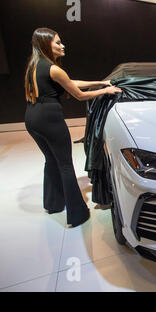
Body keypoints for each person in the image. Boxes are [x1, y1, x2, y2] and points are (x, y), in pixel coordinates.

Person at [24, 28, 122, 227]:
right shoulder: (54, 68)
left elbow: (69, 83)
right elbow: (79, 95)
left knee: (51, 160)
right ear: (46, 45)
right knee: (65, 165)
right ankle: (77, 214)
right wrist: (106, 90)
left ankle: (53, 204)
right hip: (50, 119)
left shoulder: (35, 65)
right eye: (58, 43)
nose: (62, 46)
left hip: (32, 118)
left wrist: (99, 82)